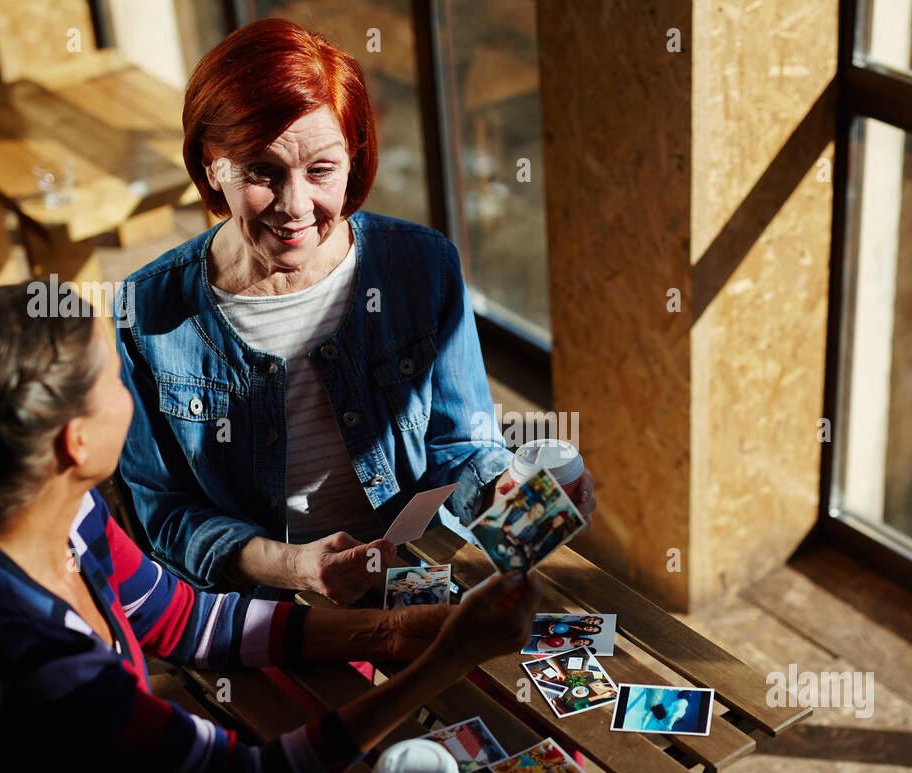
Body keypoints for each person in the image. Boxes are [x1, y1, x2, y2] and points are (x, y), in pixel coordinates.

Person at [0, 285, 541, 773]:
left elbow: (184, 620)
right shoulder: (41, 660)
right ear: (74, 442)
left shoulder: (7, 509)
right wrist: (448, 658)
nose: (128, 391)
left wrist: (388, 632)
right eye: (112, 379)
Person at [114, 19, 595, 604]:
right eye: (261, 172)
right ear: (212, 164)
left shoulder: (424, 268)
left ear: (354, 158)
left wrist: (509, 491)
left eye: (321, 170)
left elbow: (459, 446)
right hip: (256, 602)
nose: (295, 208)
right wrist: (293, 567)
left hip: (412, 576)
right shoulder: (147, 313)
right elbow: (163, 513)